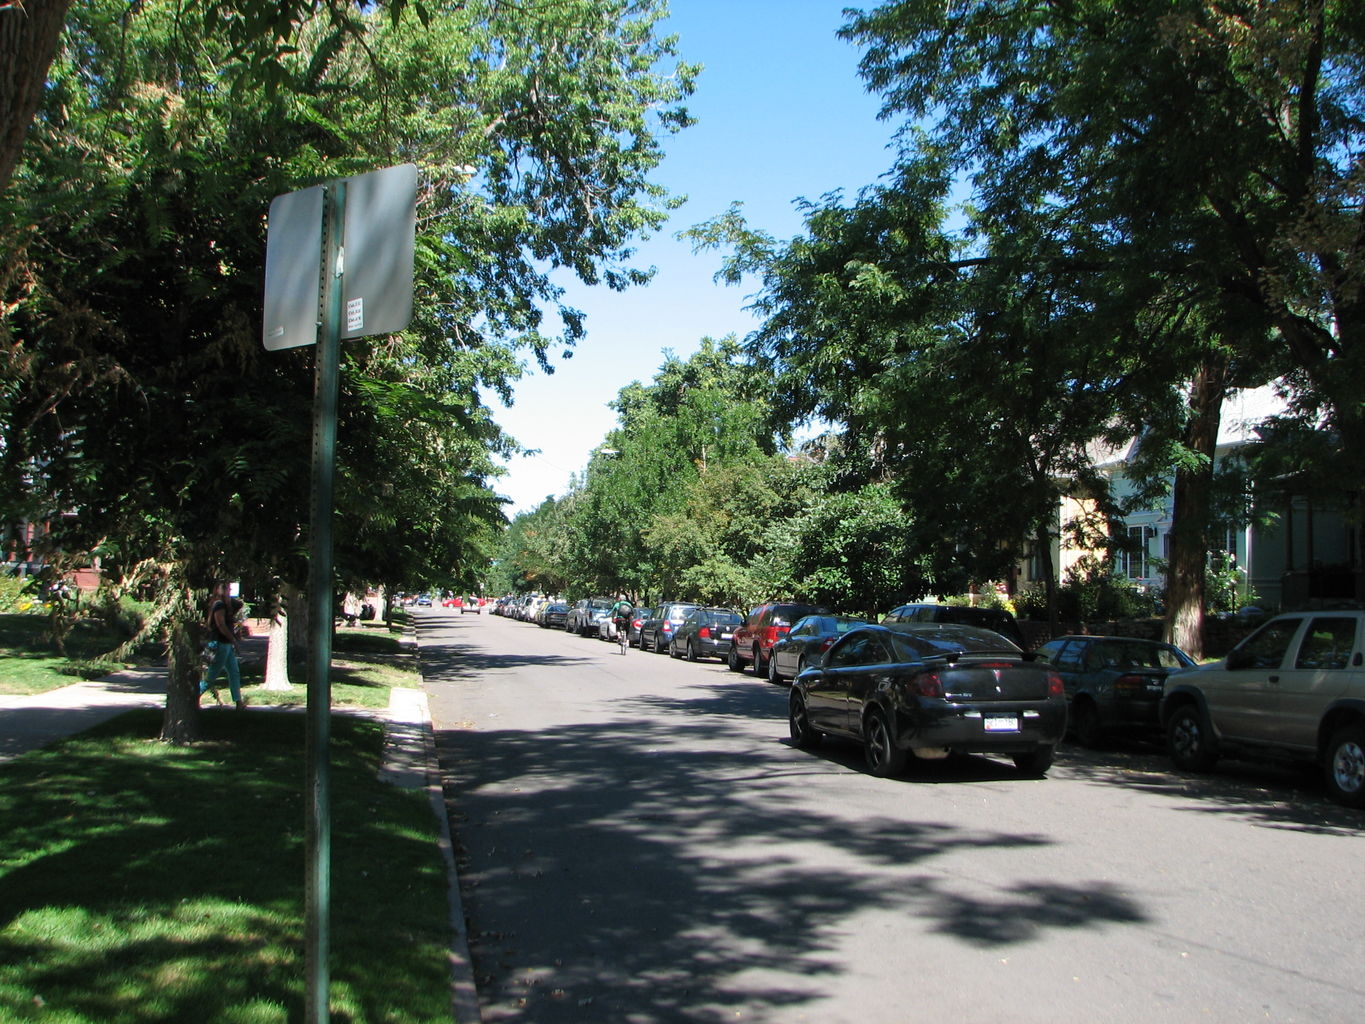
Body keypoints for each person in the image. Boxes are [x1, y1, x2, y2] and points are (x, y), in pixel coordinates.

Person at [200, 581, 246, 710]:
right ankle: (194, 696)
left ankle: (238, 701)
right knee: (212, 675)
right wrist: (234, 640)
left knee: (234, 672)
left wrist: (229, 599)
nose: (229, 592)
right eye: (227, 589)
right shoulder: (219, 605)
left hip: (226, 644)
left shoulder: (226, 604)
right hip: (220, 643)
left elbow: (239, 604)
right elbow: (221, 625)